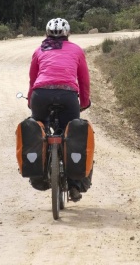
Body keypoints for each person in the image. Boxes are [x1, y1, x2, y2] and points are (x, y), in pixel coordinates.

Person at [27, 17, 91, 202]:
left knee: (39, 129)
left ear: (46, 34)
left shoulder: (39, 50)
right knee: (72, 134)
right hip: (68, 96)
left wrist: (32, 100)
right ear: (68, 34)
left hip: (41, 95)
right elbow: (84, 80)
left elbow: (33, 80)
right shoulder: (77, 50)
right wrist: (84, 102)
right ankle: (74, 185)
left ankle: (38, 175)